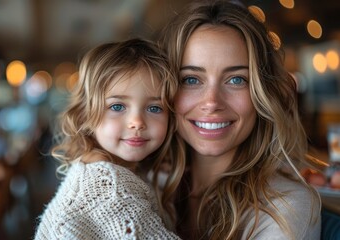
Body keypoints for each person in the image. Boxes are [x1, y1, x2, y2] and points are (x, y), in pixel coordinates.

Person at [160, 0, 322, 239]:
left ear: (263, 93)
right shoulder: (150, 186)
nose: (212, 102)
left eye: (236, 80)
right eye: (191, 79)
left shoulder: (285, 206)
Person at [34, 38, 185, 239]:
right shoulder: (110, 192)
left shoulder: (101, 170)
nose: (137, 122)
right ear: (85, 115)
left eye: (154, 108)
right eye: (117, 106)